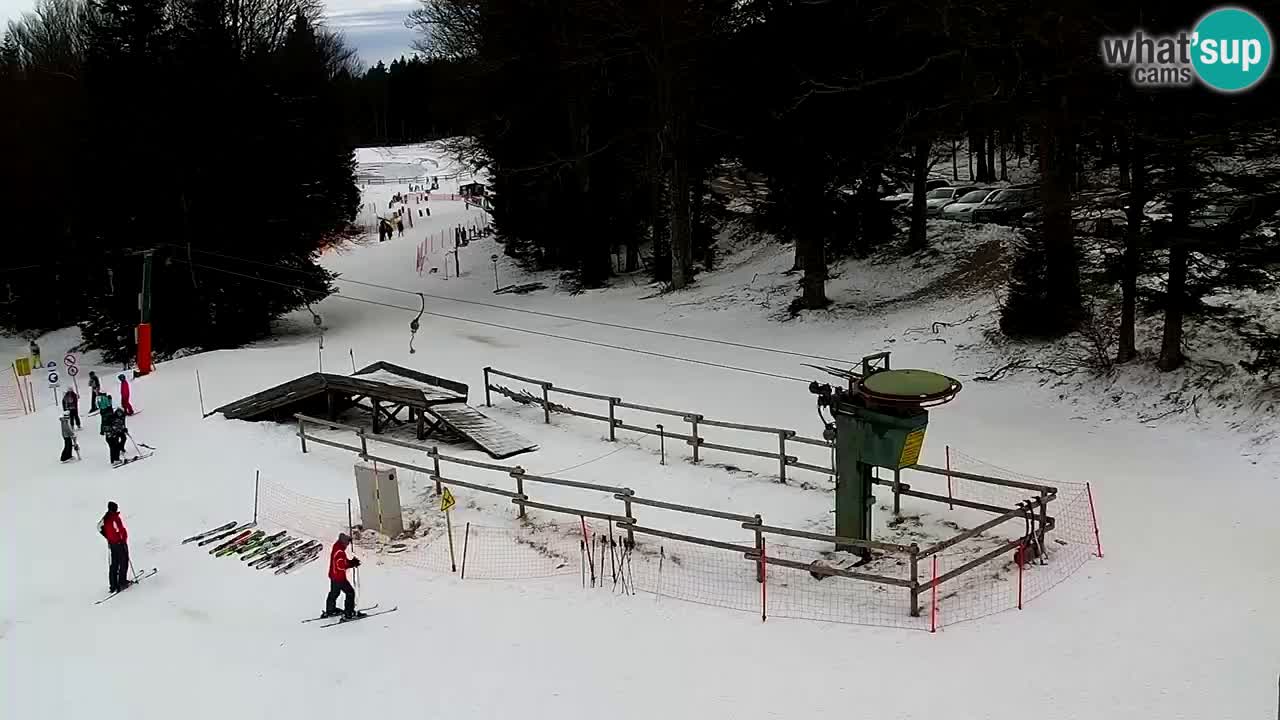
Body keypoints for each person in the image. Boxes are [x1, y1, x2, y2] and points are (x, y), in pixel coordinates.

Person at [323, 533, 363, 620]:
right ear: (344, 543)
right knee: (350, 592)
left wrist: (351, 562)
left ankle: (330, 610)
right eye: (347, 543)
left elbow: (342, 562)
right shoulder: (340, 551)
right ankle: (349, 613)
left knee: (334, 593)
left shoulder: (337, 547)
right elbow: (340, 565)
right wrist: (351, 564)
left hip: (333, 575)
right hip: (339, 577)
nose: (348, 545)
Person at [98, 501, 130, 593]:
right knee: (123, 562)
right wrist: (122, 540)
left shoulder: (106, 518)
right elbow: (119, 531)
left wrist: (108, 537)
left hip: (112, 544)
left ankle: (113, 585)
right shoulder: (114, 518)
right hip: (119, 543)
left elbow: (99, 527)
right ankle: (122, 582)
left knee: (114, 564)